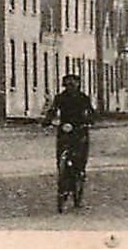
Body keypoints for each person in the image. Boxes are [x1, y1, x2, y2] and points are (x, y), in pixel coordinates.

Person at [42, 73, 98, 203]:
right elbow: (53, 110)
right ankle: (63, 177)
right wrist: (47, 120)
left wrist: (90, 120)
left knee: (80, 157)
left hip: (80, 129)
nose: (70, 87)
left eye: (72, 84)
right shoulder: (60, 98)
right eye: (67, 84)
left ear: (78, 85)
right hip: (65, 129)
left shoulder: (83, 98)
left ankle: (79, 176)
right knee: (60, 153)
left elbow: (90, 111)